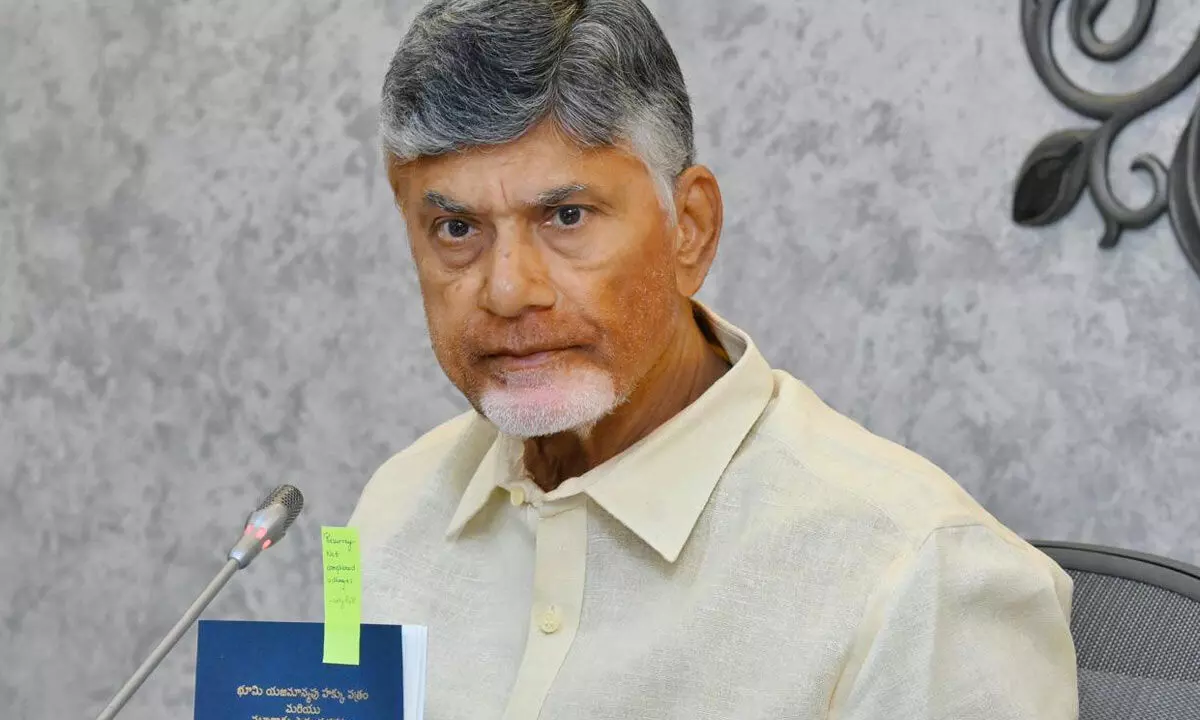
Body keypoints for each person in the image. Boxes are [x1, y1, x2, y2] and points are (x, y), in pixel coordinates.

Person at [348, 0, 1079, 717]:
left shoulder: (920, 574)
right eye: (454, 228)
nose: (508, 290)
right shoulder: (391, 510)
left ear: (689, 229)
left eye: (566, 216)